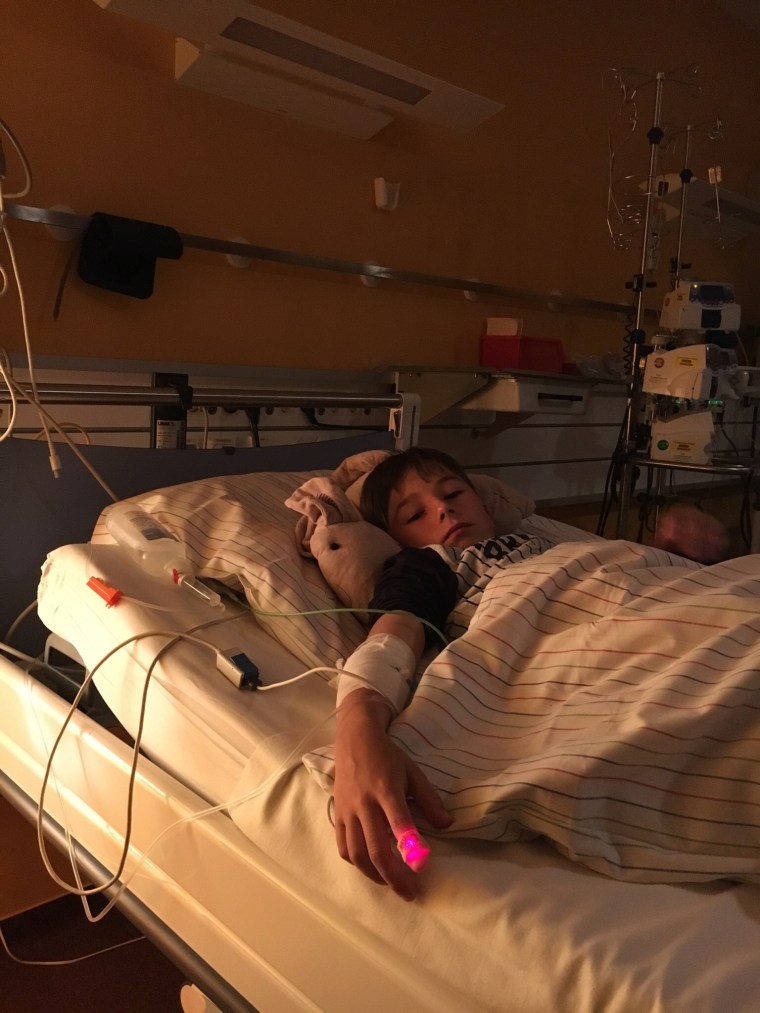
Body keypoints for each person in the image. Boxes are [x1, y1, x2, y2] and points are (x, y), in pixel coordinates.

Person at [332, 447, 728, 901]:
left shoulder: (555, 545)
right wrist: (358, 730)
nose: (443, 508)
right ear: (394, 539)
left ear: (484, 504)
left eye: (453, 493)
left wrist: (673, 556)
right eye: (415, 513)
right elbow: (393, 635)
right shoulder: (431, 564)